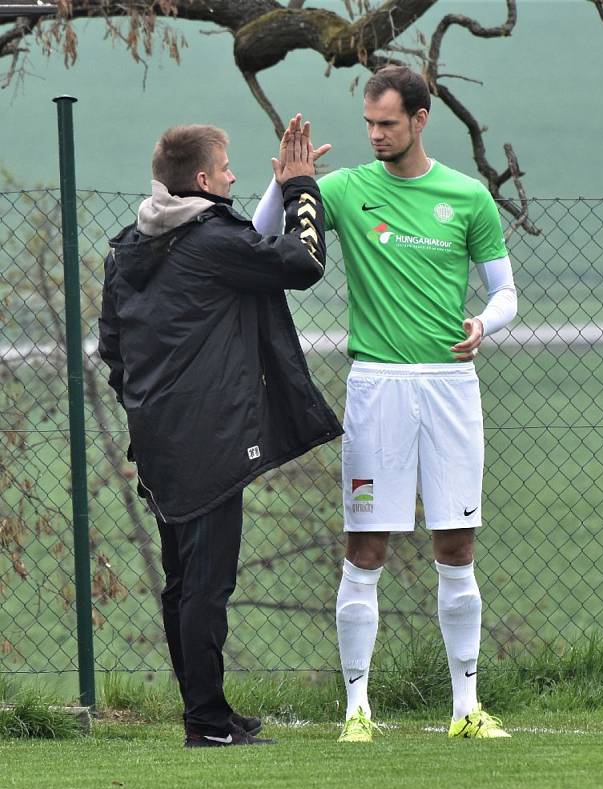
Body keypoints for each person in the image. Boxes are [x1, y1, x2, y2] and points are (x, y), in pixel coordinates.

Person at [253, 67, 517, 740]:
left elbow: (505, 293)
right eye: (369, 122)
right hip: (376, 387)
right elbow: (261, 236)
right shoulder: (345, 190)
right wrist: (286, 179)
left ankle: (465, 709)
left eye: (387, 124)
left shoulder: (465, 196)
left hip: (450, 388)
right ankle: (356, 711)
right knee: (365, 546)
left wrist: (485, 323)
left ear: (420, 119)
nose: (374, 134)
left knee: (456, 546)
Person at [98, 122, 342, 748]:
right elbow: (302, 263)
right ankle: (205, 723)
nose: (234, 177)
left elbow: (112, 350)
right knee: (206, 584)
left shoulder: (127, 247)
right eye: (228, 168)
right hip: (208, 440)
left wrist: (150, 409)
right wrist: (300, 189)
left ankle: (208, 709)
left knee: (185, 581)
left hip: (159, 440)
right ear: (203, 182)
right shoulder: (209, 241)